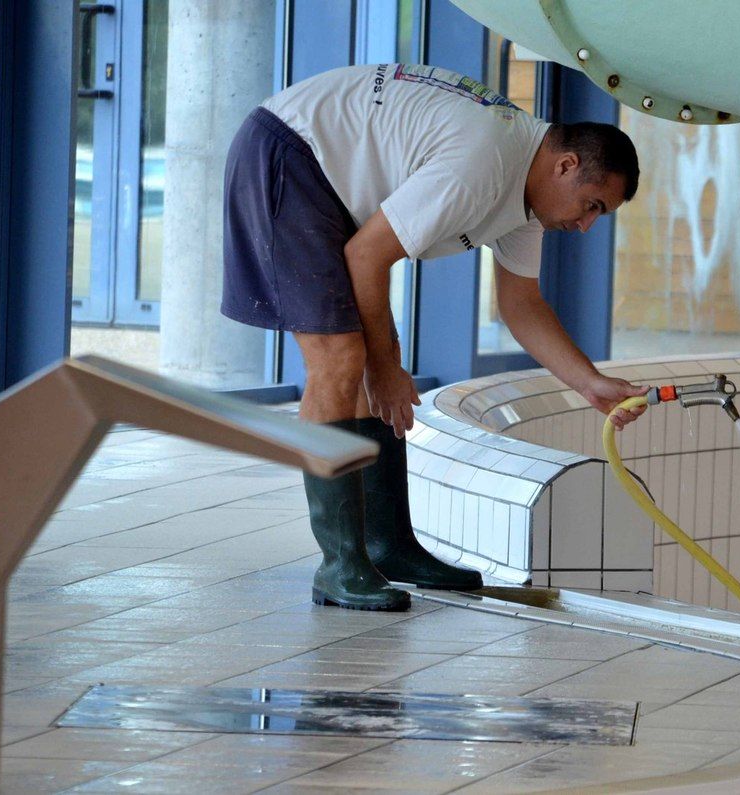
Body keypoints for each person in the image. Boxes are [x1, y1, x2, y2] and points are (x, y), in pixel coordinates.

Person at [220, 63, 648, 612]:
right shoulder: (484, 162)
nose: (586, 225)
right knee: (342, 360)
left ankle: (388, 547)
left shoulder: (528, 191)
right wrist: (385, 367)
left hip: (325, 173)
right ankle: (340, 564)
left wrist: (588, 383)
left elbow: (521, 305)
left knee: (370, 357)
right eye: (591, 206)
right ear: (565, 165)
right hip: (289, 154)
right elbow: (367, 256)